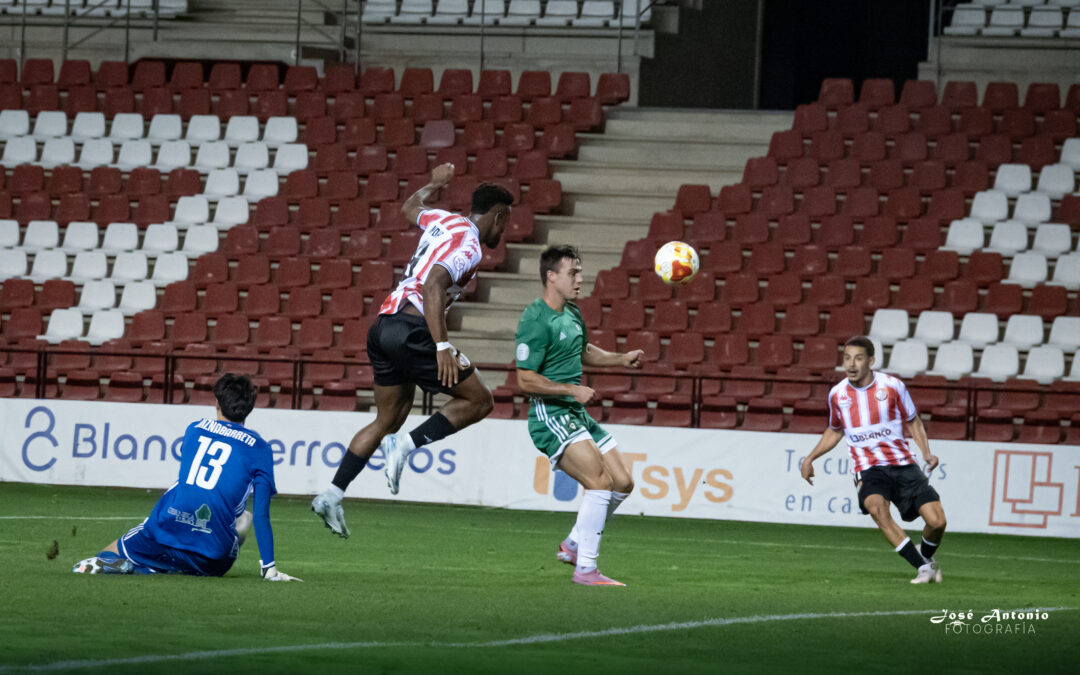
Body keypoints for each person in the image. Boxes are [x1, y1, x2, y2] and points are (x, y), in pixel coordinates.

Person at [312, 164, 513, 538]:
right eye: (506, 223)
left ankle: (332, 494)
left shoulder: (443, 220)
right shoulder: (470, 247)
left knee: (387, 418)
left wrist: (433, 184)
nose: (504, 232)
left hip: (384, 324)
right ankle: (404, 446)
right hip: (412, 328)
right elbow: (434, 286)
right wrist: (442, 346)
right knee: (480, 400)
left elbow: (409, 208)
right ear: (498, 216)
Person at [72, 374, 300, 581]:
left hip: (165, 532)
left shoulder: (195, 429)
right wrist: (269, 568)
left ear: (217, 402)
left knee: (108, 553)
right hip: (212, 559)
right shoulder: (260, 449)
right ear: (250, 408)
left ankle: (138, 568)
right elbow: (261, 514)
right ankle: (159, 568)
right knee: (244, 519)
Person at [514, 245, 643, 586]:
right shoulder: (535, 320)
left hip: (575, 413)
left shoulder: (572, 312)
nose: (580, 279)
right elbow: (525, 379)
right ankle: (586, 569)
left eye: (580, 272)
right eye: (573, 273)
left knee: (623, 482)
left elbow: (583, 351)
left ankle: (573, 544)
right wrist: (571, 390)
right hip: (550, 414)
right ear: (551, 276)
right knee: (598, 482)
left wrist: (620, 358)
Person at [800, 336, 947, 584]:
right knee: (876, 508)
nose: (851, 364)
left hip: (903, 464)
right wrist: (810, 458)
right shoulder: (837, 394)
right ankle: (923, 568)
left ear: (871, 361)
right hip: (868, 468)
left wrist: (926, 452)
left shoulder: (892, 386)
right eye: (847, 358)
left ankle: (925, 556)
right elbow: (835, 429)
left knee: (937, 521)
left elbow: (913, 420)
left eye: (858, 358)